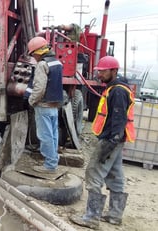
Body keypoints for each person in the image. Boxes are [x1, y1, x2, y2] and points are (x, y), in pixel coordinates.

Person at [70, 56, 136, 229]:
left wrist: (111, 141)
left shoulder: (118, 91)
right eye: (99, 70)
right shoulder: (115, 87)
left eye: (103, 71)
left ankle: (91, 217)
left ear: (114, 71)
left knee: (94, 173)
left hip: (111, 139)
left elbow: (119, 117)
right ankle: (115, 216)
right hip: (115, 138)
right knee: (115, 175)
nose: (100, 74)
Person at [26, 36, 63, 174]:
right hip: (54, 106)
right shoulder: (57, 63)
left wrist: (31, 100)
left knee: (44, 135)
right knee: (53, 135)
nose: (33, 57)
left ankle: (49, 165)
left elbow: (39, 88)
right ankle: (53, 161)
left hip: (43, 106)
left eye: (33, 54)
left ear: (38, 52)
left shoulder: (42, 64)